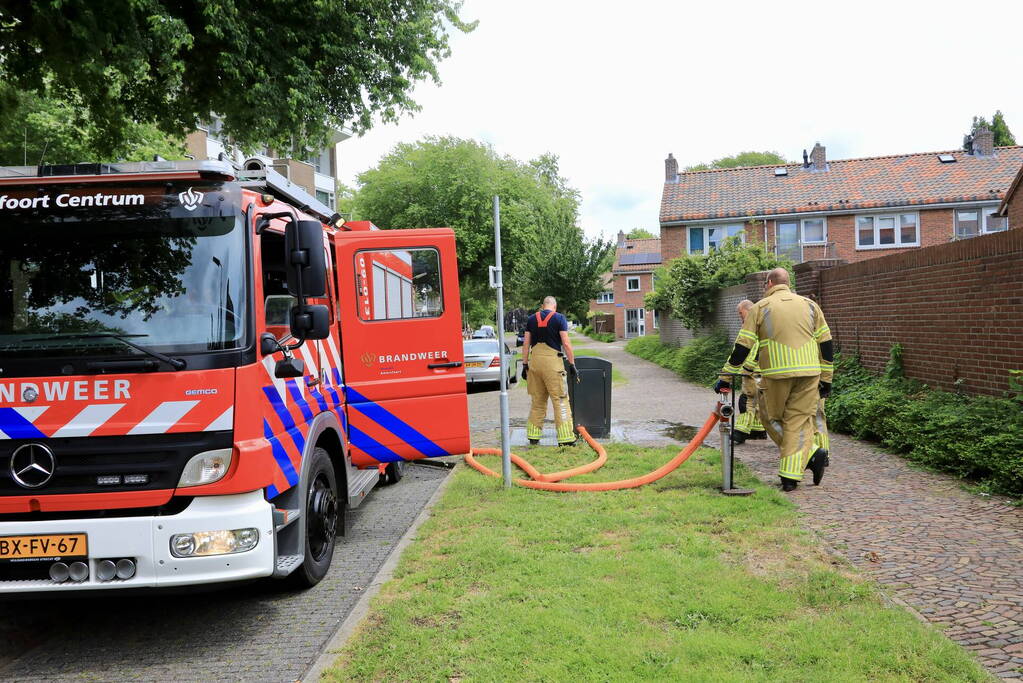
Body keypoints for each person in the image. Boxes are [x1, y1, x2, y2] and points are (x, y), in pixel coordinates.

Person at [715, 268, 833, 491]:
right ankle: (791, 476)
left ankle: (808, 458)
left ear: (769, 283)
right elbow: (826, 343)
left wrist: (725, 377)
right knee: (797, 422)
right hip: (810, 373)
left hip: (776, 374)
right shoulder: (810, 305)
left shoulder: (761, 307)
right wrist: (827, 378)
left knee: (769, 418)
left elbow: (743, 346)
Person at [521, 296, 577, 446]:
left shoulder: (531, 319)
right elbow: (565, 342)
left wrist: (525, 365)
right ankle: (566, 438)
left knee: (537, 400)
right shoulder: (559, 318)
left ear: (542, 306)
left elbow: (526, 344)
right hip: (553, 364)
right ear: (555, 306)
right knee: (560, 399)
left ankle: (533, 436)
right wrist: (572, 364)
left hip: (535, 363)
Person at [722, 299, 766, 445]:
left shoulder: (753, 326)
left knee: (746, 401)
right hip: (762, 372)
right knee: (758, 402)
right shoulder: (762, 322)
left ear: (747, 310)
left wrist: (746, 368)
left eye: (740, 313)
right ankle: (758, 431)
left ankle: (739, 434)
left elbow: (751, 350)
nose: (739, 316)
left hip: (752, 372)